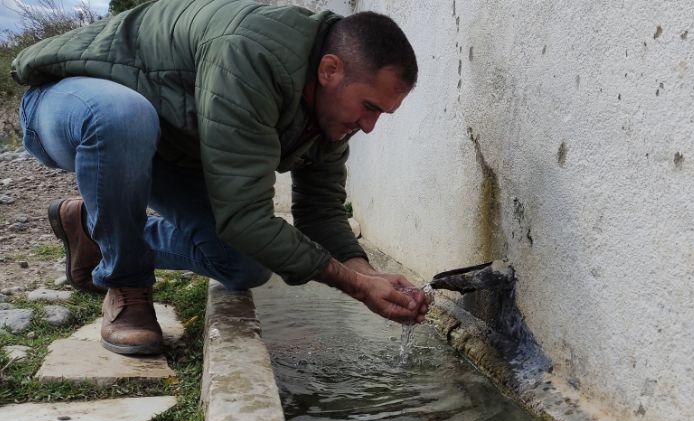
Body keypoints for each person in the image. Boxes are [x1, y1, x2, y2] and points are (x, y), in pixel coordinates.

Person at [11, 0, 430, 355]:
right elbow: (244, 218)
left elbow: (319, 211)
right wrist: (355, 287)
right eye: (369, 107)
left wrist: (366, 272)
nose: (370, 126)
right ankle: (126, 285)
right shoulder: (252, 53)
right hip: (67, 104)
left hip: (166, 144)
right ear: (330, 70)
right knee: (123, 116)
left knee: (246, 265)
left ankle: (88, 230)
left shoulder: (330, 113)